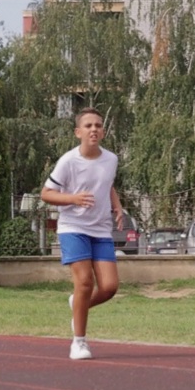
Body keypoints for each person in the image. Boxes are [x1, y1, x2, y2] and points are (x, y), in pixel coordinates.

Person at [41, 107, 124, 360]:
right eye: (88, 126)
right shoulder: (68, 161)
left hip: (100, 229)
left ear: (104, 131)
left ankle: (77, 303)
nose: (94, 129)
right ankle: (79, 342)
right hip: (73, 228)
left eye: (98, 125)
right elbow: (46, 194)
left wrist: (117, 206)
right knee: (85, 283)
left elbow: (107, 184)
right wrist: (73, 198)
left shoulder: (111, 159)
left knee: (109, 287)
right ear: (78, 132)